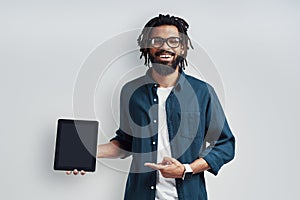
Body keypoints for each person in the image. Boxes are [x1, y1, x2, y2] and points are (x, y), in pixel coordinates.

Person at [67, 14, 235, 200]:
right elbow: (127, 143)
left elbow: (224, 144)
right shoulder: (131, 92)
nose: (165, 47)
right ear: (146, 46)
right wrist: (85, 153)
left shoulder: (202, 92)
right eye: (157, 41)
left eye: (173, 41)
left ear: (184, 48)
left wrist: (186, 170)